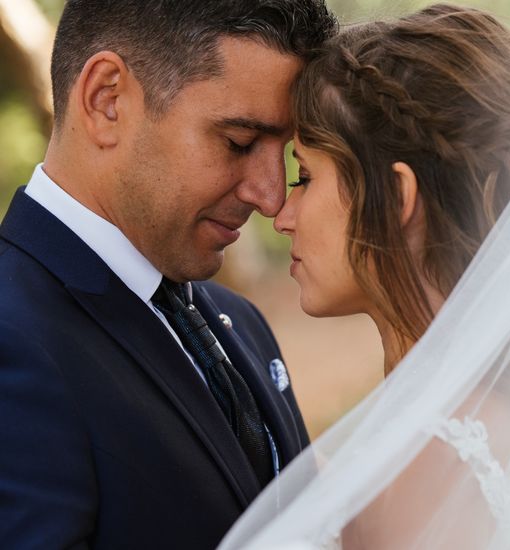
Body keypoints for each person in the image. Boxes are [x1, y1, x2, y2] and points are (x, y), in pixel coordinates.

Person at [221, 4, 510, 549]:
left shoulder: (441, 466)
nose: (280, 214)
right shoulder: (464, 425)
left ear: (399, 197)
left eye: (305, 175)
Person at [0, 1, 336, 548]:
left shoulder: (239, 324)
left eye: (289, 157)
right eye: (239, 143)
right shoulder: (12, 340)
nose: (272, 196)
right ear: (106, 100)